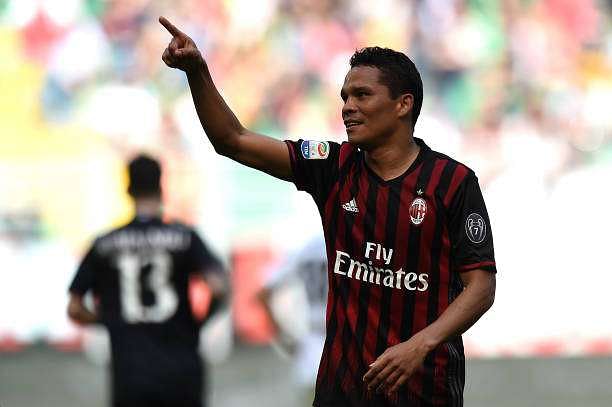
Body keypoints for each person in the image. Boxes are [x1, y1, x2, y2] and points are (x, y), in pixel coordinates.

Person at [159, 16, 496, 407]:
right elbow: (232, 140)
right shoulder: (332, 166)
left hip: (425, 391)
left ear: (404, 104)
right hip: (342, 392)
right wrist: (197, 71)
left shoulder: (452, 183)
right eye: (344, 97)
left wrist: (421, 344)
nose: (348, 107)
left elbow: (481, 287)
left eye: (362, 95)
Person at [67, 154, 227, 407]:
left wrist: (110, 320)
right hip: (182, 370)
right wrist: (198, 323)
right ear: (161, 188)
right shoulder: (184, 237)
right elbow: (218, 287)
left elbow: (75, 308)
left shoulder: (104, 244)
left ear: (128, 190)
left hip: (131, 374)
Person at [258, 235, 328, 405]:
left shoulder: (307, 247)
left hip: (312, 346)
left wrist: (280, 334)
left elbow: (263, 292)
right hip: (346, 341)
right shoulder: (352, 245)